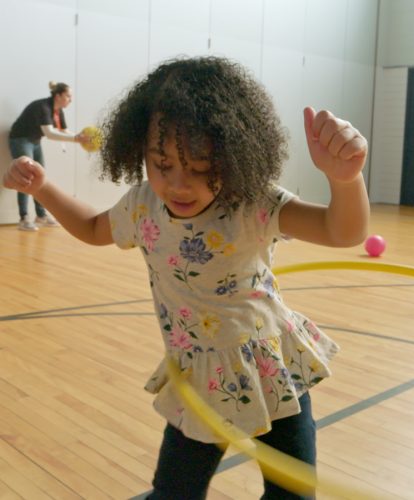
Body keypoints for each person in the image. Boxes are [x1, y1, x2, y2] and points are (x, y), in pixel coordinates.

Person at [3, 57, 370, 499]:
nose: (178, 183)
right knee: (173, 495)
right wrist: (43, 187)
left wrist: (344, 180)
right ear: (141, 148)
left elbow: (342, 230)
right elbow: (92, 228)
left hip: (271, 371)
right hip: (198, 379)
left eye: (199, 168)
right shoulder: (142, 207)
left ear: (234, 155)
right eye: (161, 163)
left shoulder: (252, 205)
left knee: (293, 494)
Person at [8, 81, 90, 231]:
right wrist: (76, 139)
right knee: (25, 177)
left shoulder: (58, 110)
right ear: (58, 95)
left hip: (35, 141)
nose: (70, 100)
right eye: (68, 96)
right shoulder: (44, 107)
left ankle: (40, 216)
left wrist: (79, 138)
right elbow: (50, 133)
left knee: (39, 176)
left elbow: (64, 131)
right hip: (20, 140)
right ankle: (24, 218)